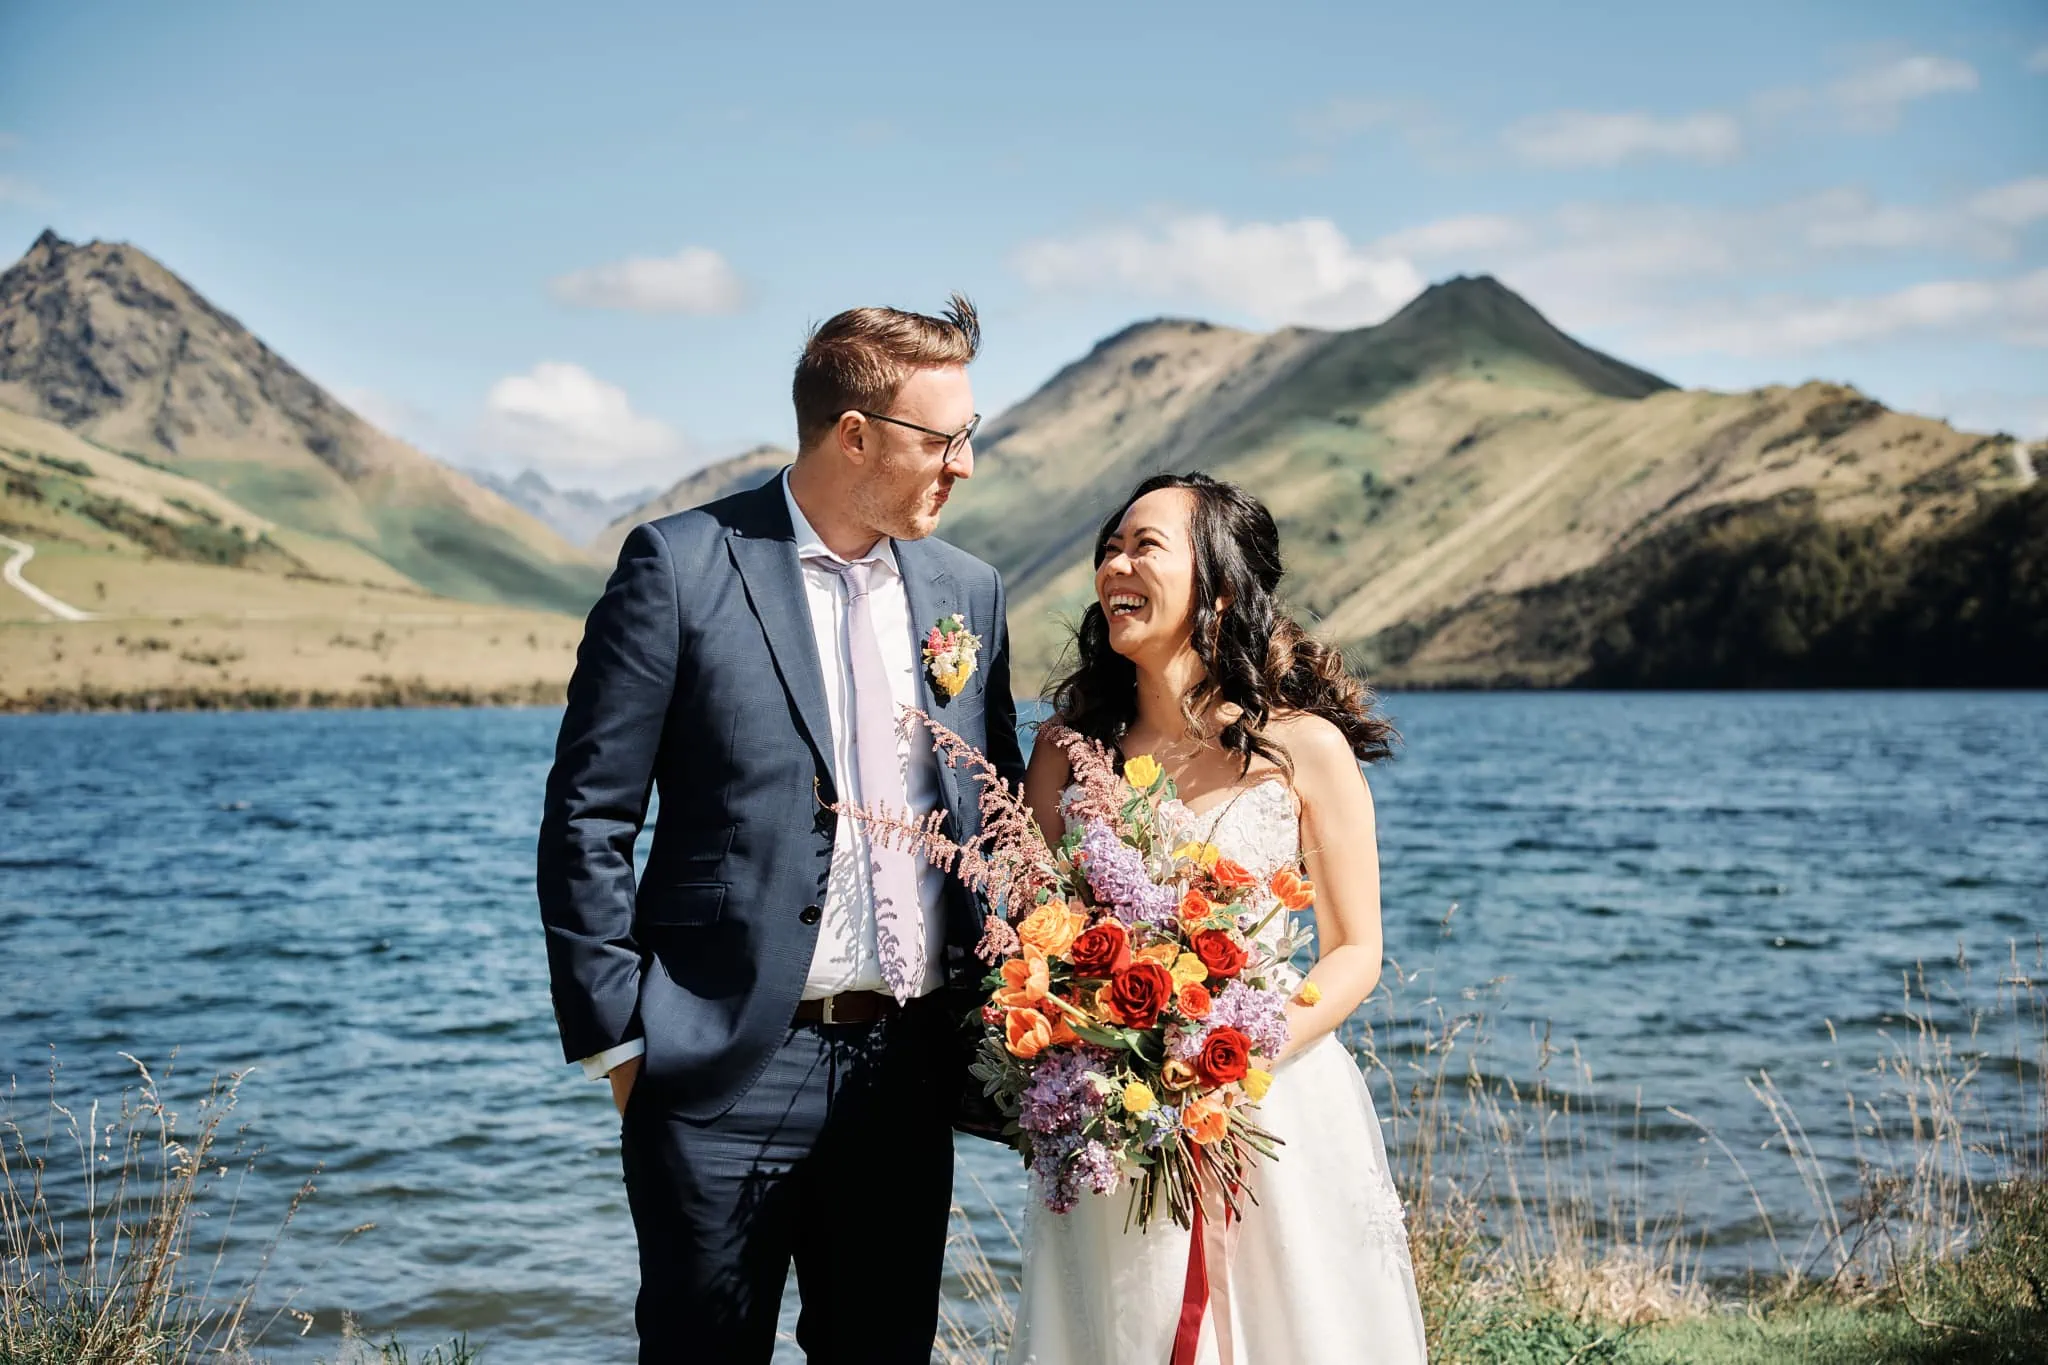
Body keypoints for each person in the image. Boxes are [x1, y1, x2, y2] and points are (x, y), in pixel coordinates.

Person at [536, 296, 1025, 1364]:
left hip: (902, 1072)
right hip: (718, 1074)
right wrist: (625, 1041)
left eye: (969, 437)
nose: (966, 466)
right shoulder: (679, 566)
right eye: (942, 441)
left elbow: (994, 821)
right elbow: (586, 818)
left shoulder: (966, 593)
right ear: (854, 435)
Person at [1010, 472, 1428, 1364]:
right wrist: (1085, 1031)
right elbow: (1028, 940)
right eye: (1110, 548)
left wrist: (1237, 1051)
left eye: (1145, 546)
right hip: (1115, 1120)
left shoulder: (1306, 748)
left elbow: (1357, 950)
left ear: (1221, 587)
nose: (1116, 564)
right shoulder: (1064, 753)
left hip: (1273, 1105)